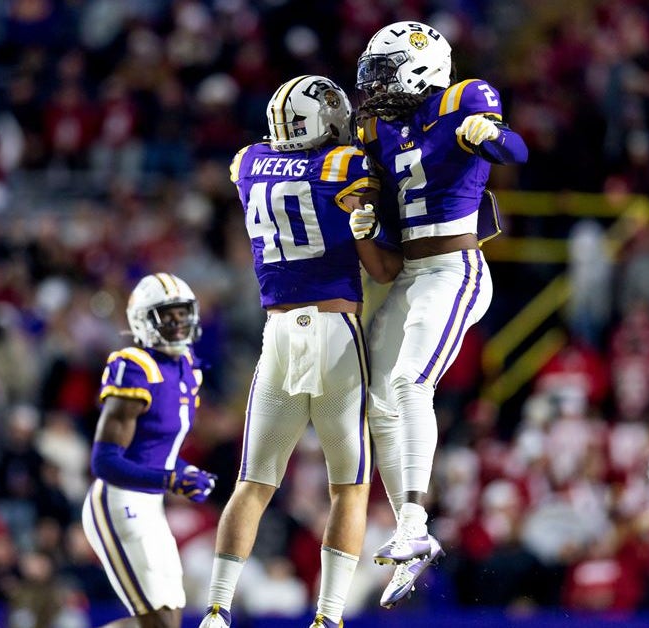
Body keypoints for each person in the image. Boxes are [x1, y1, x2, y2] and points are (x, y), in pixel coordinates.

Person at [198, 75, 400, 628]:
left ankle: (216, 610)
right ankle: (328, 617)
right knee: (350, 486)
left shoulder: (246, 163)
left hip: (279, 334)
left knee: (253, 482)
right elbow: (383, 263)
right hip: (335, 327)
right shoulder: (345, 166)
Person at [351, 20, 528, 607]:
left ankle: (416, 523)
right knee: (374, 392)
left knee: (408, 382)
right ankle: (408, 523)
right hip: (408, 275)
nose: (372, 86)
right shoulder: (382, 126)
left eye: (382, 72)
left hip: (454, 267)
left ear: (420, 68)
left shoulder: (463, 100)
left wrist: (488, 135)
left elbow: (515, 149)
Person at [81, 273, 217, 628]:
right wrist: (171, 479)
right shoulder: (134, 366)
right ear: (143, 319)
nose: (177, 323)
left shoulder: (188, 368)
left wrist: (183, 471)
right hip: (118, 500)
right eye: (166, 315)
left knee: (165, 623)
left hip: (150, 504)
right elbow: (105, 461)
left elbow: (160, 452)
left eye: (182, 313)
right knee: (157, 624)